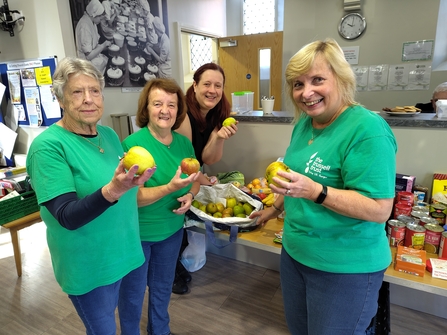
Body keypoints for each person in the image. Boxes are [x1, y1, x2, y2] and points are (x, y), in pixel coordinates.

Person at [249, 38, 397, 335]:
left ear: (340, 78)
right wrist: (272, 209)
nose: (307, 92)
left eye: (318, 80)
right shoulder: (304, 123)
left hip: (344, 268)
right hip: (295, 254)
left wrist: (317, 191)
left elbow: (380, 209)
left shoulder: (367, 129)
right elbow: (295, 178)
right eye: (297, 84)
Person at [25, 57, 156, 334]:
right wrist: (114, 190)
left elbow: (126, 189)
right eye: (77, 92)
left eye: (94, 90)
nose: (88, 99)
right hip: (91, 266)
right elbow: (66, 216)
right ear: (61, 99)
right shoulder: (47, 147)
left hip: (129, 252)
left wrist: (135, 184)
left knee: (132, 322)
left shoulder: (108, 135)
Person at [119, 78, 200, 335]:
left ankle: (160, 331)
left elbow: (194, 181)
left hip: (172, 231)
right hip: (138, 235)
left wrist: (191, 196)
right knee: (132, 295)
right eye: (157, 104)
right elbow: (130, 196)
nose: (165, 110)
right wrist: (171, 188)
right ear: (146, 108)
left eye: (171, 105)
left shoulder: (184, 144)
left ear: (178, 111)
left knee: (163, 288)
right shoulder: (132, 146)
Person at [173, 62, 237, 294]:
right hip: (173, 172)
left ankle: (176, 263)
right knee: (175, 212)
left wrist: (219, 137)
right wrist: (200, 179)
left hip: (191, 172)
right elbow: (185, 159)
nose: (212, 90)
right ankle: (171, 270)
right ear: (195, 86)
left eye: (218, 85)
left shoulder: (218, 113)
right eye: (207, 84)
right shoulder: (183, 115)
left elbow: (209, 158)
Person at [75, 0, 111, 74]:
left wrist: (104, 47)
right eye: (100, 19)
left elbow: (95, 43)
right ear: (94, 14)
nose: (101, 21)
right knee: (107, 68)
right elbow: (89, 56)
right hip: (85, 62)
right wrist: (103, 45)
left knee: (107, 60)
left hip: (92, 57)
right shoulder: (84, 26)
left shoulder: (92, 21)